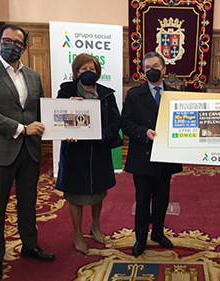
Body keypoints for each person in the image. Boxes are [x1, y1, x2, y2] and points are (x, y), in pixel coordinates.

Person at [0, 24, 55, 281]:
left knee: (28, 204)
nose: (12, 46)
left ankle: (29, 246)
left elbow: (41, 111)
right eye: (7, 40)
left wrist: (66, 112)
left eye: (18, 43)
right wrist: (22, 128)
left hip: (29, 152)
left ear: (25, 47)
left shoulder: (33, 76)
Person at [55, 53, 120, 254]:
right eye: (84, 69)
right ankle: (77, 233)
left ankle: (95, 225)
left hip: (99, 149)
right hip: (75, 151)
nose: (88, 73)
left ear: (98, 72)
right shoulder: (66, 91)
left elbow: (116, 120)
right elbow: (57, 117)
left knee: (98, 191)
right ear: (76, 72)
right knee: (75, 194)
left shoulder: (107, 94)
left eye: (92, 69)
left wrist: (103, 136)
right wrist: (69, 108)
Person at [121, 51, 183, 256]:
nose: (152, 71)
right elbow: (126, 124)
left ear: (164, 69)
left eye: (155, 66)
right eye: (147, 68)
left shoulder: (175, 94)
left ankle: (157, 232)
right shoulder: (133, 95)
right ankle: (140, 238)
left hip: (166, 156)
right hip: (143, 155)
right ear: (143, 71)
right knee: (142, 200)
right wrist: (144, 132)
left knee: (162, 198)